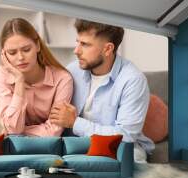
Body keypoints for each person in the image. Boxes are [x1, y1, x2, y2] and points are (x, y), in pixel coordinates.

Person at [49, 19, 154, 159]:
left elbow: (125, 135)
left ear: (108, 49)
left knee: (133, 157)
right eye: (77, 42)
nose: (76, 51)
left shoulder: (133, 80)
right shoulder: (72, 70)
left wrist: (75, 123)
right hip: (76, 143)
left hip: (117, 146)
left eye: (85, 44)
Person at [0, 18, 73, 137]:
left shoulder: (62, 79)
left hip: (50, 148)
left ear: (38, 46)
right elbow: (13, 128)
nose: (20, 57)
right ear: (4, 55)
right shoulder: (0, 76)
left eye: (26, 50)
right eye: (12, 53)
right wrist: (19, 81)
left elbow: (53, 132)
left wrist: (18, 132)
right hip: (15, 149)